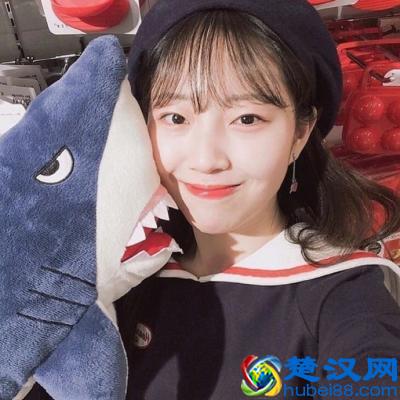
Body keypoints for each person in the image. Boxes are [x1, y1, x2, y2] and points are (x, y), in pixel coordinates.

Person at [27, 0, 400, 399]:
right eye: (176, 118)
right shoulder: (121, 274)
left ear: (300, 132)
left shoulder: (345, 297)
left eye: (247, 119)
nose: (206, 160)